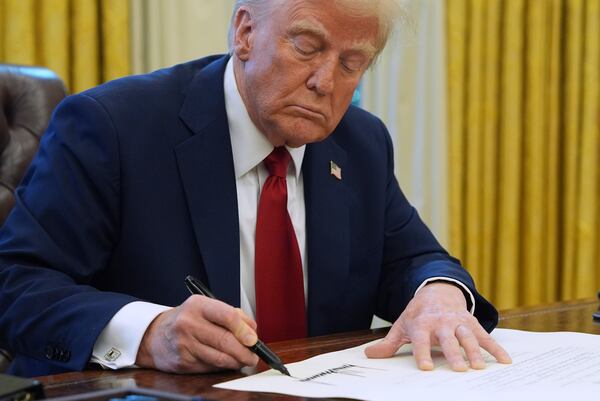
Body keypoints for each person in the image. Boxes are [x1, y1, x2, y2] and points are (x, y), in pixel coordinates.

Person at [0, 0, 511, 377]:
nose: (325, 81)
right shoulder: (113, 127)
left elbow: (414, 258)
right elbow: (18, 284)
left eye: (352, 64)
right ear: (245, 32)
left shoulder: (361, 143)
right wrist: (149, 333)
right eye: (307, 47)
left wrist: (439, 294)